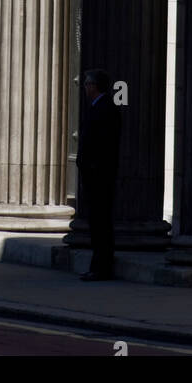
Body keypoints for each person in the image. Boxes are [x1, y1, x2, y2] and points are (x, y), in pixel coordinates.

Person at [77, 68, 119, 282]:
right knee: (97, 222)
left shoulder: (105, 108)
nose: (84, 87)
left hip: (99, 176)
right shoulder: (96, 107)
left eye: (87, 84)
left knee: (101, 222)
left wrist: (93, 168)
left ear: (95, 86)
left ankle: (101, 267)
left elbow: (104, 144)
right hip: (94, 174)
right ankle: (98, 265)